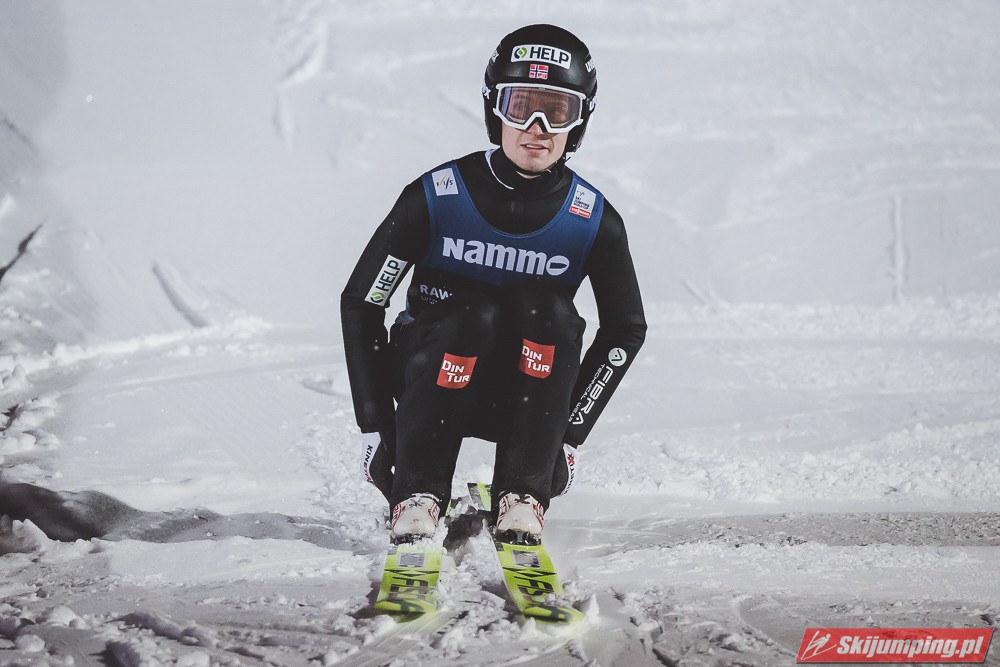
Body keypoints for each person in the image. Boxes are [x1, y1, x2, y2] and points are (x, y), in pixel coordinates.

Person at [340, 24, 646, 544]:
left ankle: (523, 493)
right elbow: (363, 303)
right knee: (470, 316)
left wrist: (569, 435)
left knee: (549, 313)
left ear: (579, 122)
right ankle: (419, 493)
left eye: (558, 111)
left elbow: (625, 330)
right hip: (431, 379)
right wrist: (376, 427)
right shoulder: (435, 197)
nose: (537, 128)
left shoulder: (593, 220)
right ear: (494, 110)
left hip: (527, 391)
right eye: (520, 106)